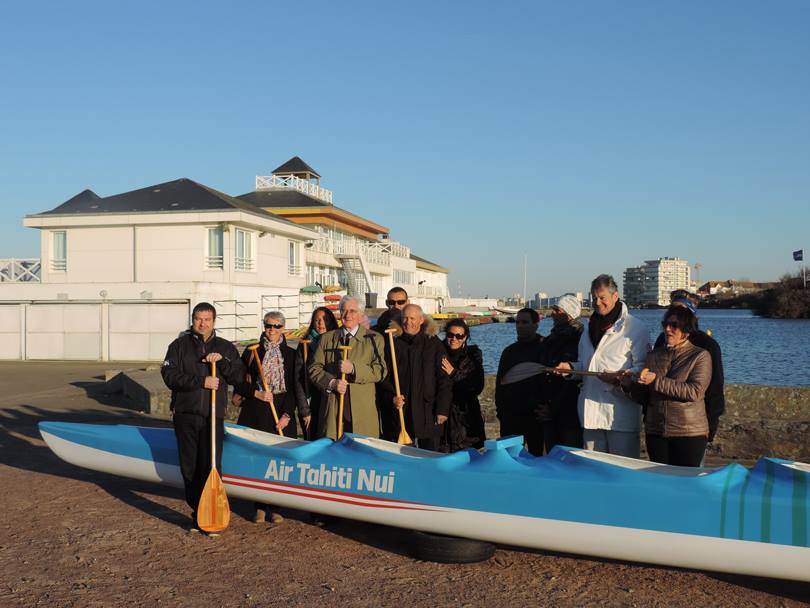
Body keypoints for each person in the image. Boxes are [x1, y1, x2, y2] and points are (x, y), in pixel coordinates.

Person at [161, 302, 245, 530]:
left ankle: (211, 509)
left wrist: (223, 364)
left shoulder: (226, 348)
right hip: (186, 414)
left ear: (214, 321)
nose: (202, 323)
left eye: (207, 319)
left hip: (212, 416)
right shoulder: (178, 346)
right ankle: (198, 510)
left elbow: (239, 376)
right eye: (199, 319)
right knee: (188, 467)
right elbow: (169, 375)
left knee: (211, 465)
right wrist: (201, 381)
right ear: (193, 319)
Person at [556, 275, 649, 458]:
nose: (597, 302)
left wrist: (619, 377)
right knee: (593, 472)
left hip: (620, 415)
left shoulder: (636, 328)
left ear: (615, 297)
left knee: (622, 473)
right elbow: (587, 366)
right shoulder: (588, 329)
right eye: (594, 298)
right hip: (591, 414)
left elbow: (643, 368)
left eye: (602, 297)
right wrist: (570, 369)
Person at [235, 311, 309, 524]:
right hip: (257, 409)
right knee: (258, 459)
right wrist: (255, 393)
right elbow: (239, 382)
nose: (272, 330)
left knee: (279, 462)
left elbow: (296, 388)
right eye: (269, 325)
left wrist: (287, 414)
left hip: (281, 407)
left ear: (283, 329)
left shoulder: (292, 354)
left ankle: (275, 507)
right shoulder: (252, 353)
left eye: (277, 326)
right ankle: (258, 506)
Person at [623, 305, 712, 467]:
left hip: (689, 433)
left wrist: (655, 381)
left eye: (674, 326)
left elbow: (694, 391)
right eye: (665, 325)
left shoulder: (700, 356)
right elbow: (645, 397)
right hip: (656, 432)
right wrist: (628, 385)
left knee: (684, 486)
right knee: (661, 484)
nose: (668, 329)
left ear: (686, 330)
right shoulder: (654, 355)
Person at [654, 290, 725, 459]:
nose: (674, 316)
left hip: (692, 428)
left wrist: (711, 426)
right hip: (660, 427)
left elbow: (715, 389)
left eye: (681, 311)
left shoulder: (708, 345)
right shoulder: (661, 340)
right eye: (672, 310)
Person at [309, 296, 387, 439]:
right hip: (334, 407)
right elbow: (314, 369)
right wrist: (332, 383)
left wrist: (353, 369)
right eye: (344, 311)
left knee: (361, 453)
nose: (347, 315)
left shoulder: (374, 339)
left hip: (363, 409)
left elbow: (380, 371)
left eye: (352, 311)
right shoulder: (326, 338)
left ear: (361, 314)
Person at [382, 304, 452, 451]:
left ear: (421, 320)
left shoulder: (434, 344)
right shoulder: (392, 342)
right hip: (402, 411)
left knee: (430, 455)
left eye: (412, 318)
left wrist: (442, 409)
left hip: (428, 411)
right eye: (405, 318)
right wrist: (391, 397)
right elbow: (384, 377)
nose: (408, 322)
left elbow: (444, 379)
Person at [495, 308, 546, 455]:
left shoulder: (545, 348)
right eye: (517, 322)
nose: (520, 326)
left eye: (525, 322)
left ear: (536, 324)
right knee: (509, 460)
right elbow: (500, 385)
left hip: (537, 417)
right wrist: (502, 413)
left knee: (538, 460)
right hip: (511, 418)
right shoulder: (509, 352)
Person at [539, 295, 584, 450]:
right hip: (551, 410)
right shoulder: (553, 338)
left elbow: (573, 381)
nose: (552, 313)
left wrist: (552, 408)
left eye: (557, 310)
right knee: (553, 459)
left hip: (569, 413)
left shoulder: (579, 339)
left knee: (571, 458)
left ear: (568, 314)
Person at [440, 318, 486, 451]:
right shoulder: (437, 352)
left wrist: (454, 373)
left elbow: (477, 387)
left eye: (459, 336)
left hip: (466, 416)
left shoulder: (473, 357)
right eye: (450, 335)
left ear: (465, 337)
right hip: (442, 413)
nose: (454, 339)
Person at [298, 307, 339, 440]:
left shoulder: (338, 341)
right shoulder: (305, 345)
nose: (321, 323)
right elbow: (298, 379)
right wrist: (304, 409)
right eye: (317, 320)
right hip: (313, 400)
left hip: (333, 398)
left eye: (325, 319)